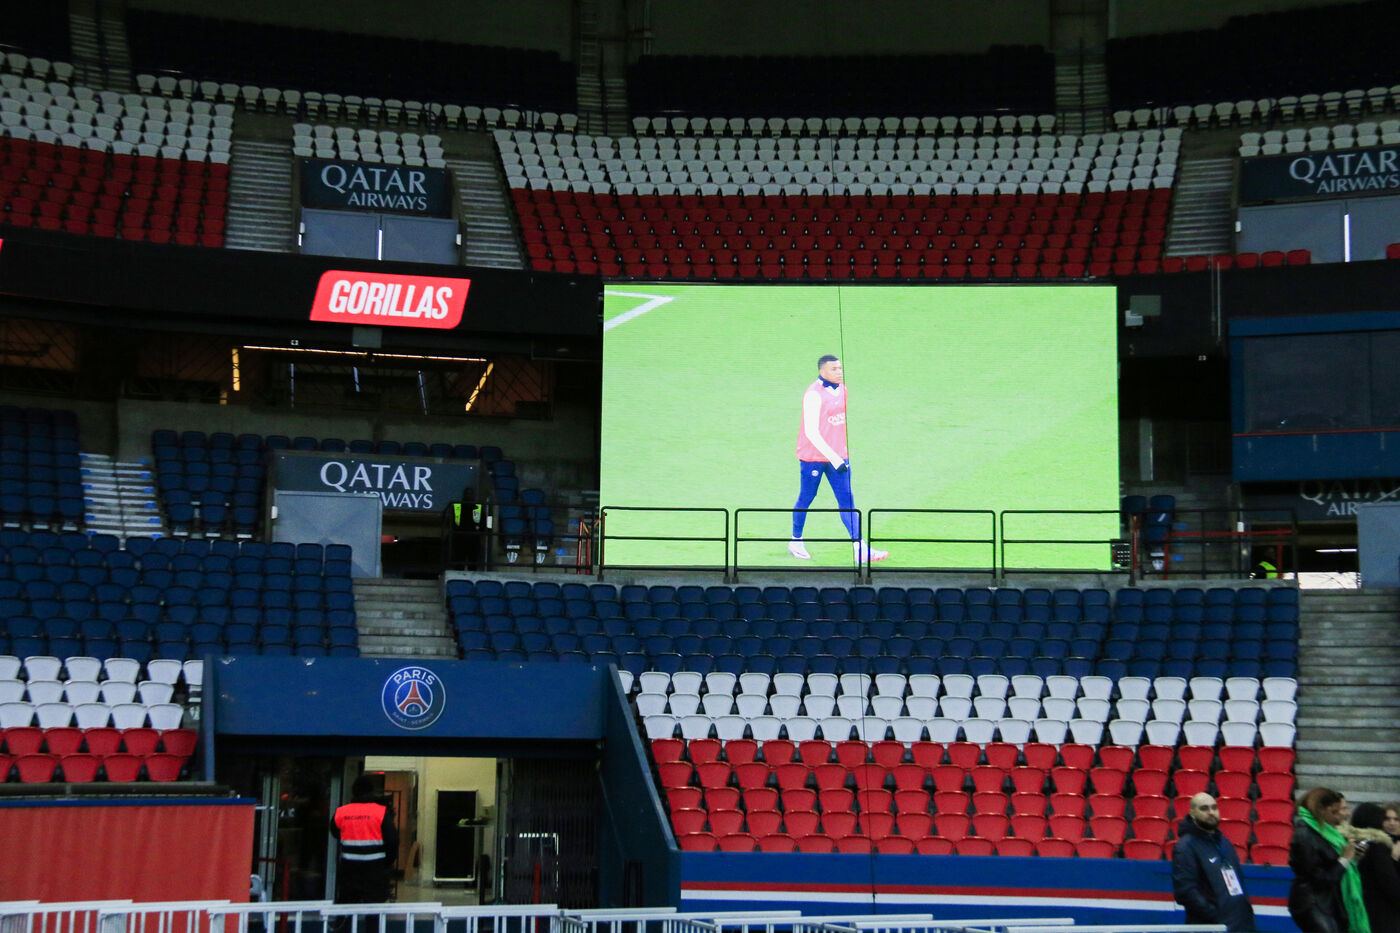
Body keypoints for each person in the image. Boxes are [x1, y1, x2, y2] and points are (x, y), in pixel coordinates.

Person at [789, 354, 888, 564]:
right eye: (834, 369)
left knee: (847, 501)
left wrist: (839, 455)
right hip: (813, 457)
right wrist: (835, 458)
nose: (839, 372)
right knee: (807, 497)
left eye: (840, 368)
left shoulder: (843, 390)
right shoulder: (813, 395)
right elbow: (811, 432)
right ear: (822, 371)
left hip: (839, 458)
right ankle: (796, 541)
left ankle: (860, 548)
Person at [1171, 792, 1256, 931]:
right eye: (1204, 808)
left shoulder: (1224, 842)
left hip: (1241, 924)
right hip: (1213, 926)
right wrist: (1214, 916)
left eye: (1214, 808)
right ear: (1192, 813)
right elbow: (1185, 892)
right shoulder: (1185, 847)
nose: (1211, 812)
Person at [1291, 787, 1370, 933]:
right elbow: (1319, 878)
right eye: (1334, 812)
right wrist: (1345, 859)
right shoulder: (1305, 835)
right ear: (1320, 810)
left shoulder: (1327, 832)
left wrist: (1353, 856)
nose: (1341, 815)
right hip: (1313, 903)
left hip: (1329, 901)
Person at [331, 775, 398, 932]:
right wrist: (386, 863)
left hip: (349, 869)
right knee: (373, 913)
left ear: (354, 792)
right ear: (371, 792)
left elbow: (335, 832)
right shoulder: (380, 812)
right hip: (375, 870)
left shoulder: (342, 812)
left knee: (345, 910)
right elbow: (393, 840)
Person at [1352, 803, 1400, 933]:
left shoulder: (1357, 841)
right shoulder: (1379, 846)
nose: (1391, 823)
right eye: (1386, 819)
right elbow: (1388, 881)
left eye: (1396, 819)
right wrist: (1394, 860)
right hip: (1381, 912)